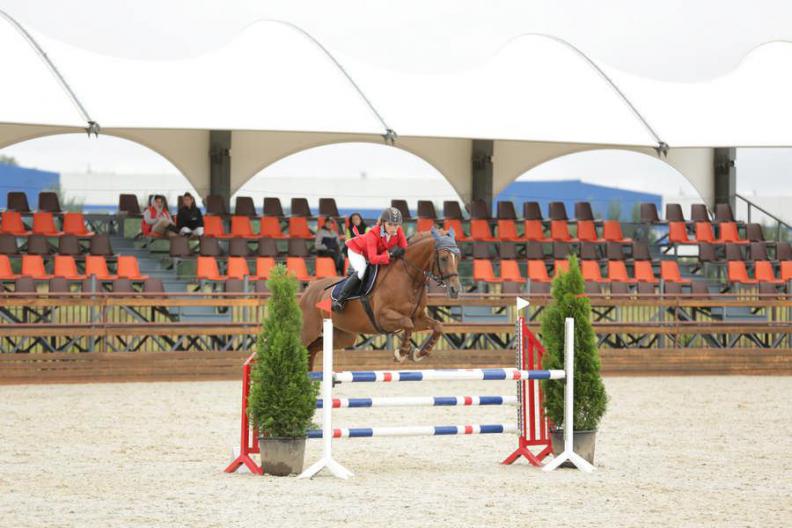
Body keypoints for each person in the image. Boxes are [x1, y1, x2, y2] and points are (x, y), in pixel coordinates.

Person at [332, 207, 408, 312]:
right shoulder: (373, 233)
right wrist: (390, 256)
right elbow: (372, 259)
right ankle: (340, 300)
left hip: (375, 253)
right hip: (357, 250)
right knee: (361, 272)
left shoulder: (398, 231)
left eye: (396, 225)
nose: (393, 228)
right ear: (383, 223)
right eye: (390, 224)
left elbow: (405, 248)